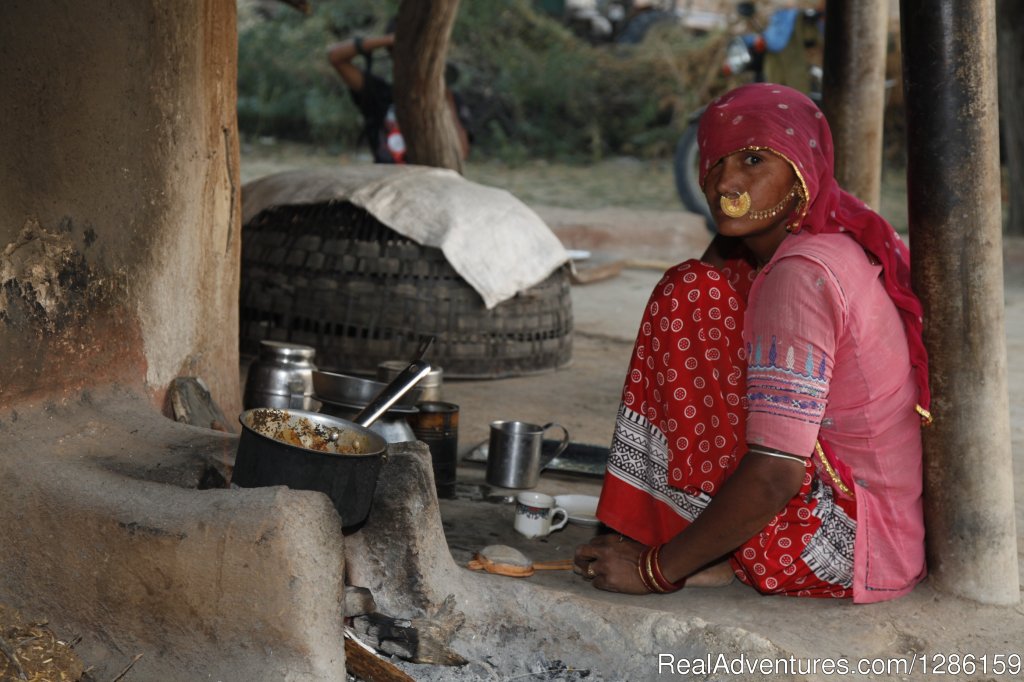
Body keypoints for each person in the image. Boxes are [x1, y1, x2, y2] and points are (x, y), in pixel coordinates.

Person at [574, 83, 931, 604]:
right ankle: (706, 545)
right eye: (714, 162)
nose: (726, 182)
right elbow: (706, 297)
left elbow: (775, 473)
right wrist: (735, 226)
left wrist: (658, 570)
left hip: (845, 545)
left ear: (803, 172)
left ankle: (688, 544)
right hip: (882, 533)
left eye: (754, 160)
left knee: (687, 294)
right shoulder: (817, 241)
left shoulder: (798, 277)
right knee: (693, 291)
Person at [326, 27, 471, 164]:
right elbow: (336, 57)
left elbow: (461, 154)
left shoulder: (449, 98)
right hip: (387, 177)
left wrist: (446, 100)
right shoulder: (379, 92)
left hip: (427, 179)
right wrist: (390, 40)